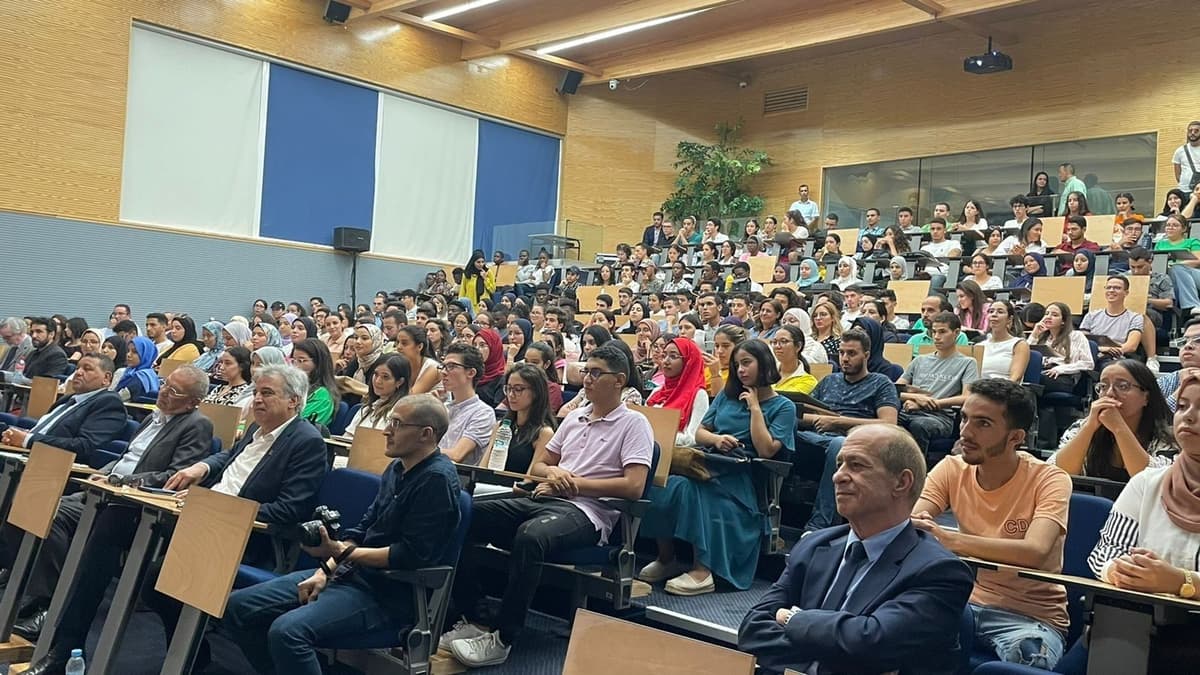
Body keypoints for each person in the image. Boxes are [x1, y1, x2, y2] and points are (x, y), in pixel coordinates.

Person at [25, 364, 329, 675]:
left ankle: (72, 647)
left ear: (293, 401)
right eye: (256, 393)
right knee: (117, 525)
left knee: (138, 558)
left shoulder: (306, 441)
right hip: (199, 516)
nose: (258, 400)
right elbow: (230, 458)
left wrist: (216, 506)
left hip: (239, 534)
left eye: (267, 393)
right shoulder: (256, 430)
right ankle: (67, 644)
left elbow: (289, 511)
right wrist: (203, 467)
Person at [445, 344, 653, 667]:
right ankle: (474, 614)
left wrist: (575, 483)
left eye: (596, 373)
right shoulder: (574, 419)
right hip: (544, 497)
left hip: (588, 513)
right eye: (586, 371)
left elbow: (634, 486)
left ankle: (503, 637)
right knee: (463, 513)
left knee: (531, 536)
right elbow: (542, 465)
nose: (587, 379)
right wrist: (554, 473)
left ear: (619, 380)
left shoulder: (634, 424)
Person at [223, 394, 461, 675]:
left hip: (387, 594)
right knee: (236, 607)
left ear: (426, 434)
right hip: (349, 574)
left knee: (288, 632)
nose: (386, 430)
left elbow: (409, 555)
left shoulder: (436, 480)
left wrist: (339, 552)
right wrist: (324, 570)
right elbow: (362, 530)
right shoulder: (397, 467)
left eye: (397, 424)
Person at [739, 424, 974, 675]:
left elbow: (871, 643)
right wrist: (834, 654)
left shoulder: (940, 571)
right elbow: (752, 629)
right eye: (839, 464)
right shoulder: (814, 545)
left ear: (902, 482)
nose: (837, 476)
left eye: (856, 465)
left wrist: (792, 619)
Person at [3, 365, 214, 638]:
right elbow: (125, 458)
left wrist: (121, 481)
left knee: (52, 517)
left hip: (132, 504)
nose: (163, 392)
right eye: (165, 384)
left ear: (193, 402)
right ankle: (37, 591)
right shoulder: (153, 418)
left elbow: (174, 477)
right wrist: (103, 474)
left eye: (174, 391)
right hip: (102, 491)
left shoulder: (197, 425)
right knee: (26, 506)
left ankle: (49, 604)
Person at [912, 378, 1071, 669]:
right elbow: (913, 526)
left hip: (1031, 616)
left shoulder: (1050, 479)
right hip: (963, 602)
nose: (965, 432)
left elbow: (1035, 551)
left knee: (1030, 658)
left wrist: (949, 540)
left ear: (1015, 437)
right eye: (964, 418)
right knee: (890, 633)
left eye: (983, 424)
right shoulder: (951, 467)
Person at [640, 340, 794, 595]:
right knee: (664, 486)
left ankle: (702, 570)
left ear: (764, 363)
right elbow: (701, 432)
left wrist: (755, 408)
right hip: (709, 463)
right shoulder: (726, 396)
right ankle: (667, 558)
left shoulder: (783, 407)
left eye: (747, 363)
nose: (741, 370)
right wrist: (717, 439)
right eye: (737, 365)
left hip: (741, 476)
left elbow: (766, 450)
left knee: (695, 492)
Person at [1083, 371, 1200, 672]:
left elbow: (1178, 582)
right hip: (1135, 624)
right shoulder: (1147, 483)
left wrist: (1181, 582)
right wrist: (1121, 571)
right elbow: (1104, 552)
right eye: (1183, 406)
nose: (1189, 416)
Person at [797, 329, 901, 532]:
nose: (845, 358)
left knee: (840, 445)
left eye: (852, 353)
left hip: (852, 442)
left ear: (866, 355)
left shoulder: (880, 383)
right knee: (778, 431)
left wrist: (838, 422)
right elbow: (803, 414)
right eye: (842, 353)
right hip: (815, 437)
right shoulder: (829, 381)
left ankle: (820, 526)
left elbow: (889, 423)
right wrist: (821, 419)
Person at [1051, 359, 1176, 481]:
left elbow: (1152, 482)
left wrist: (1119, 428)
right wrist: (1089, 427)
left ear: (1146, 397)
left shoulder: (1167, 437)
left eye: (1123, 386)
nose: (1110, 393)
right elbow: (1058, 475)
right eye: (1103, 386)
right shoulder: (1081, 427)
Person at [0, 353, 126, 456]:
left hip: (53, 465)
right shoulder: (68, 399)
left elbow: (84, 445)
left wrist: (28, 440)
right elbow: (44, 431)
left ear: (106, 378)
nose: (78, 372)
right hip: (27, 453)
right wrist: (15, 435)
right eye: (77, 368)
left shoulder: (109, 403)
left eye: (87, 369)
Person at [897, 312, 978, 454]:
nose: (936, 336)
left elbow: (967, 397)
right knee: (884, 420)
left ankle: (916, 465)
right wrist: (915, 398)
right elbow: (895, 389)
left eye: (942, 332)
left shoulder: (967, 363)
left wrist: (929, 403)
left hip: (941, 417)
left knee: (919, 425)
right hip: (909, 410)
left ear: (956, 333)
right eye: (934, 332)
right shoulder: (919, 360)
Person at [480, 364, 557, 477]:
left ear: (536, 392)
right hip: (487, 484)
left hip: (516, 487)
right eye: (508, 388)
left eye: (518, 389)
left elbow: (529, 479)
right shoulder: (500, 425)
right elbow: (483, 468)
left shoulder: (544, 433)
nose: (511, 395)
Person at [437, 344, 495, 466]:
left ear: (471, 373)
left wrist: (416, 450)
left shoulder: (483, 413)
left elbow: (457, 455)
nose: (443, 372)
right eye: (443, 366)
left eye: (451, 366)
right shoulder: (442, 406)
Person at [646, 336, 710, 447]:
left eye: (673, 356)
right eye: (664, 355)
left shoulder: (699, 395)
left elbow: (694, 438)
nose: (666, 361)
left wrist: (658, 435)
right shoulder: (657, 392)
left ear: (688, 362)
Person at [1080, 275, 1144, 368]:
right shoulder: (1091, 315)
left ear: (1126, 292)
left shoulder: (1135, 317)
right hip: (1090, 354)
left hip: (1115, 358)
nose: (1111, 290)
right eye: (1108, 287)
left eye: (1117, 288)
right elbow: (1081, 341)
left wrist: (1110, 350)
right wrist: (1101, 349)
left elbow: (1131, 346)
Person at [343, 353, 410, 439]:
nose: (377, 381)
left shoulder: (400, 414)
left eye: (385, 377)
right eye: (376, 374)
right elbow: (347, 437)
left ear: (399, 382)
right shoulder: (367, 408)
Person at [1155, 213, 1200, 316]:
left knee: (1177, 269)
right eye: (1168, 225)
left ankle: (1193, 305)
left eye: (1175, 225)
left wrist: (1176, 265)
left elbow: (1198, 261)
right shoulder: (1160, 244)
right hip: (1168, 277)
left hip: (1194, 275)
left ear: (1184, 229)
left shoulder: (1192, 242)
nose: (1170, 227)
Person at [0, 316, 67, 384]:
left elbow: (47, 383)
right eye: (32, 332)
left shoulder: (57, 355)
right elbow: (23, 375)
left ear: (51, 334)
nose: (34, 336)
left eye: (39, 332)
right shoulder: (33, 353)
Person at [291, 339, 340, 426]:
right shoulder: (295, 387)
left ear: (318, 363)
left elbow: (298, 425)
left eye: (302, 360)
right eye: (294, 360)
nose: (296, 366)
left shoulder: (322, 395)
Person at [980, 301, 1030, 381]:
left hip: (1004, 387)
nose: (994, 314)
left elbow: (1015, 378)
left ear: (1009, 319)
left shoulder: (1019, 344)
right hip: (978, 386)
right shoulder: (979, 345)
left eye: (1000, 312)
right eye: (991, 311)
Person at [905, 295, 970, 357]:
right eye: (923, 310)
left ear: (944, 313)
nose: (925, 314)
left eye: (930, 310)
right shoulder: (914, 339)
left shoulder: (958, 337)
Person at [770, 325, 817, 395]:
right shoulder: (767, 373)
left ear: (798, 346)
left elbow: (784, 399)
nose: (777, 346)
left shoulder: (808, 381)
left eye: (783, 341)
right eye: (774, 342)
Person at [115, 335, 161, 401]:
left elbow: (118, 398)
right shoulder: (130, 372)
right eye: (128, 350)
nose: (128, 355)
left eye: (135, 352)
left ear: (146, 355)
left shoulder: (141, 377)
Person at [1173, 120, 1200, 191]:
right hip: (1184, 190)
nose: (1192, 133)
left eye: (1196, 131)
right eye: (1190, 131)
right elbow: (1178, 175)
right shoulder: (1179, 151)